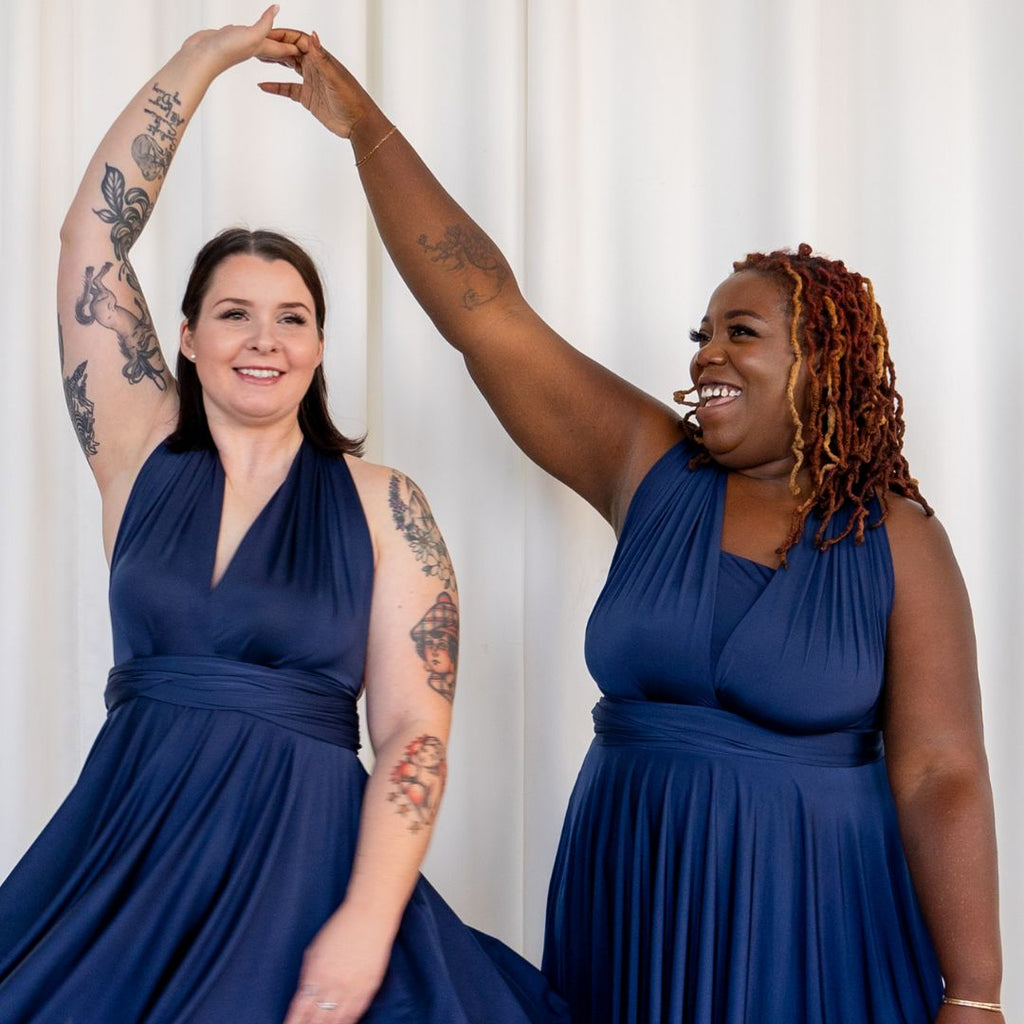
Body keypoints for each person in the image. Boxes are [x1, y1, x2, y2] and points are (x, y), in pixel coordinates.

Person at [257, 28, 1005, 1024]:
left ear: (825, 362)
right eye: (700, 333)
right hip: (632, 894)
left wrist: (975, 992)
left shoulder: (898, 541)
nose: (705, 355)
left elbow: (939, 771)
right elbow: (486, 312)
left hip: (815, 920)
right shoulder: (653, 471)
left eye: (741, 332)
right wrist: (365, 131)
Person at [0, 10, 569, 1024]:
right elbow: (92, 234)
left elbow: (411, 736)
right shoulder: (135, 451)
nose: (262, 339)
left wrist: (363, 921)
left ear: (317, 346)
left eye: (291, 316)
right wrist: (204, 59)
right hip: (126, 857)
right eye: (233, 312)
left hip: (302, 871)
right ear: (182, 337)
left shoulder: (386, 504)